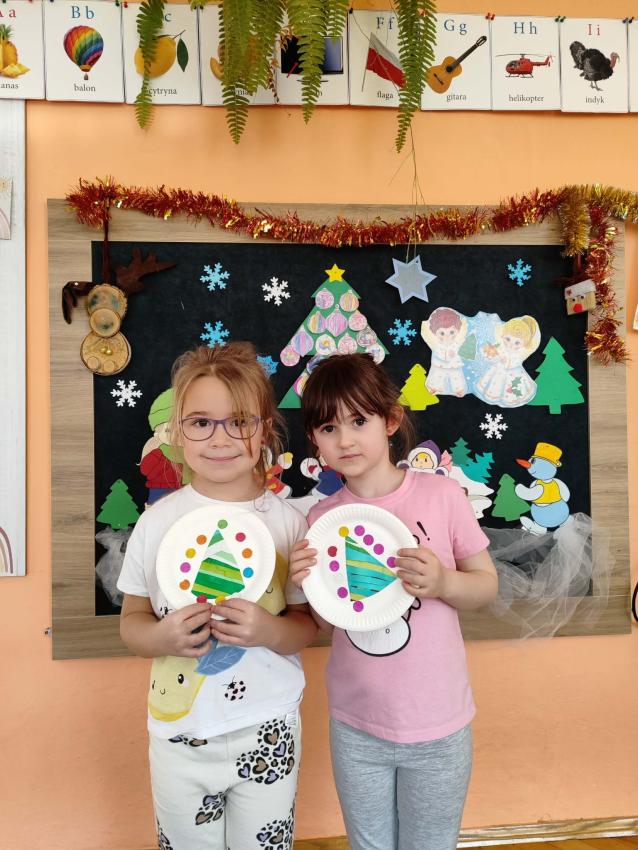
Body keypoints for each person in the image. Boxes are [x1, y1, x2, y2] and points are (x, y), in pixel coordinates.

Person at [289, 352, 498, 850]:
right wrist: (304, 584)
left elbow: (486, 586)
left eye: (359, 421)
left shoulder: (442, 497)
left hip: (439, 723)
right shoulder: (321, 519)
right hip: (356, 724)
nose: (345, 439)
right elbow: (327, 623)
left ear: (390, 420)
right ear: (315, 440)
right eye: (328, 428)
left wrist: (443, 582)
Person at [118, 342, 317, 850]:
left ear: (265, 430)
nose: (220, 437)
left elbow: (307, 626)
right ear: (177, 432)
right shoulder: (157, 522)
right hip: (180, 733)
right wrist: (161, 637)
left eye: (240, 421)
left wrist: (269, 630)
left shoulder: (289, 523)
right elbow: (132, 622)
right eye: (201, 422)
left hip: (268, 725)